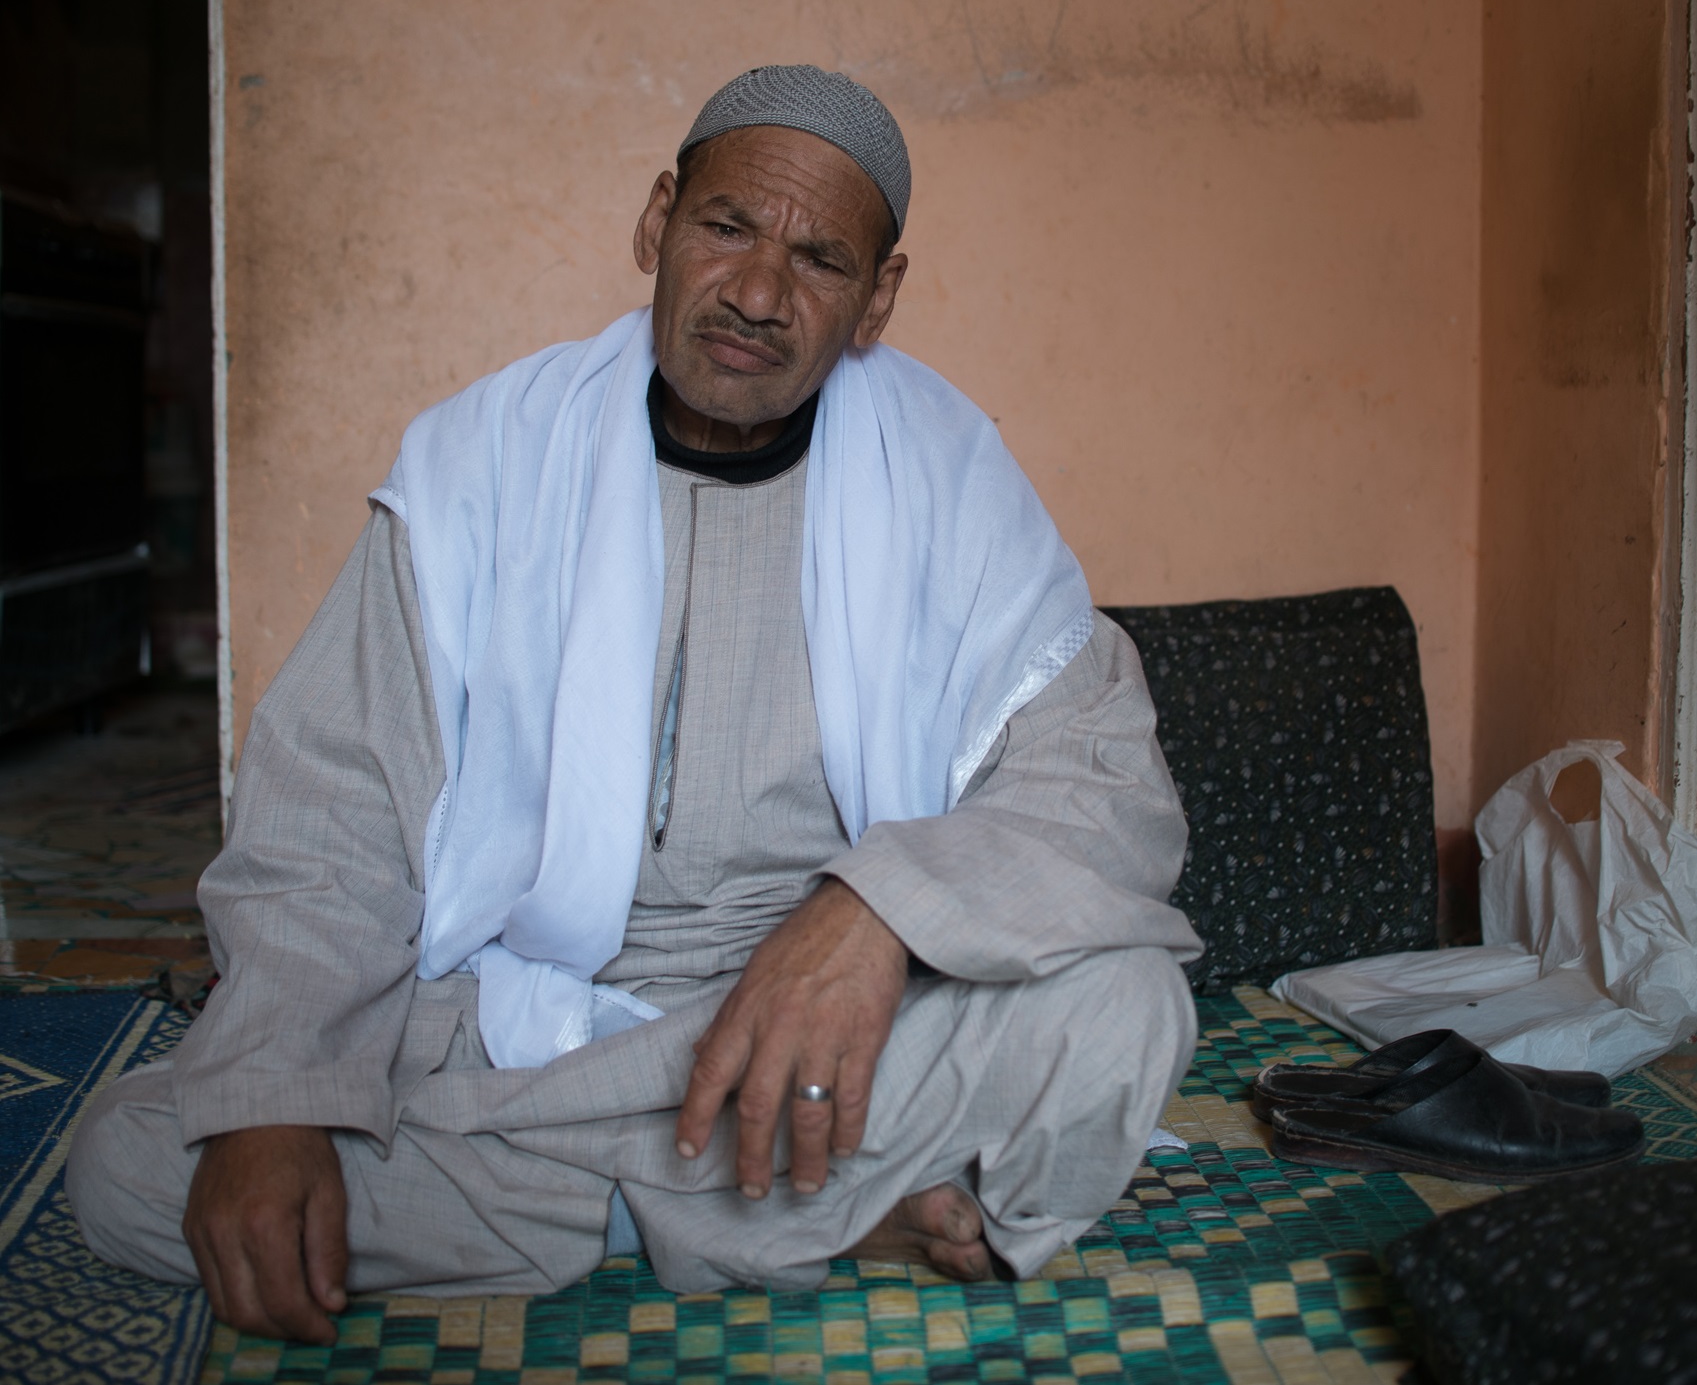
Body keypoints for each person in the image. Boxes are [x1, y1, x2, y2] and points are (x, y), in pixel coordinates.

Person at [68, 65, 1202, 1344]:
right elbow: (335, 805)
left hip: (823, 1039)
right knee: (134, 1157)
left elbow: (1107, 791)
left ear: (876, 298)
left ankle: (659, 1203)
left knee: (1123, 1007)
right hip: (521, 1028)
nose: (759, 294)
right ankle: (784, 1213)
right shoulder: (483, 464)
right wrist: (278, 1096)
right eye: (727, 227)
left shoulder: (953, 486)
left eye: (819, 259)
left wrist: (876, 910)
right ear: (657, 221)